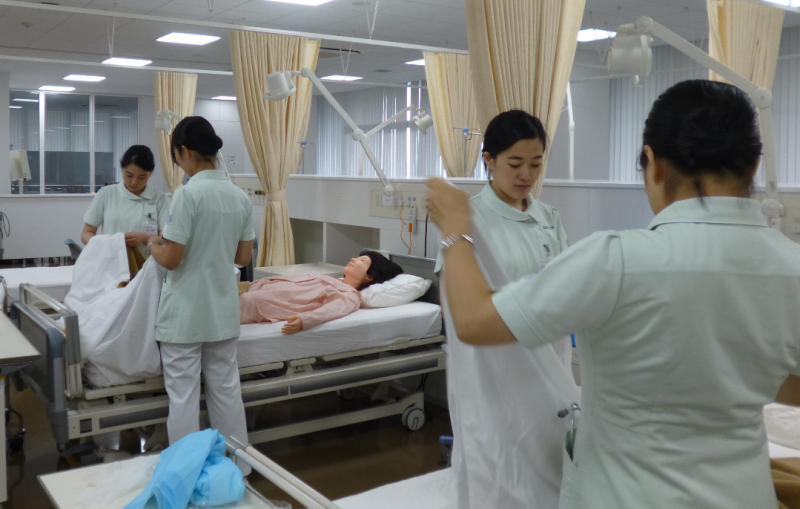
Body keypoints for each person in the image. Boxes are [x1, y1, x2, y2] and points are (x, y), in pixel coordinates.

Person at [426, 79, 800, 509]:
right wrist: (740, 373)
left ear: (652, 163)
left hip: (627, 494)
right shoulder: (791, 266)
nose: (526, 174)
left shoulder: (615, 259)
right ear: (754, 166)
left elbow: (473, 320)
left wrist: (455, 229)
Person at [434, 110, 573, 509]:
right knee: (497, 454)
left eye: (536, 163)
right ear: (489, 160)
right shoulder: (469, 220)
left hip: (548, 356)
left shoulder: (548, 218)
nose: (526, 174)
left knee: (547, 454)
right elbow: (457, 299)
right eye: (514, 163)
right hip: (493, 362)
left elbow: (565, 282)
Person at [147, 117, 254, 474]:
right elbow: (243, 258)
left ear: (184, 151)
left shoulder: (187, 195)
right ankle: (238, 468)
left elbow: (171, 259)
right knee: (226, 390)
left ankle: (185, 475)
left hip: (186, 314)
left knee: (183, 397)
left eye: (176, 157)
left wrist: (153, 245)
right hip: (222, 311)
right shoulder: (240, 196)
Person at [240, 251, 403, 332]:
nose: (353, 259)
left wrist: (305, 321)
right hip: (252, 290)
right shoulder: (332, 280)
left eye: (362, 260)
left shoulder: (350, 295)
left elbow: (330, 311)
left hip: (258, 303)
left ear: (369, 276)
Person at [81, 145, 169, 248]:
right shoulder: (106, 194)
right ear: (122, 169)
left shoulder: (161, 199)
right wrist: (105, 245)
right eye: (129, 175)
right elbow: (86, 233)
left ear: (150, 174)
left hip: (147, 258)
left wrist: (144, 239)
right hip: (111, 256)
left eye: (142, 177)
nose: (134, 182)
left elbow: (165, 241)